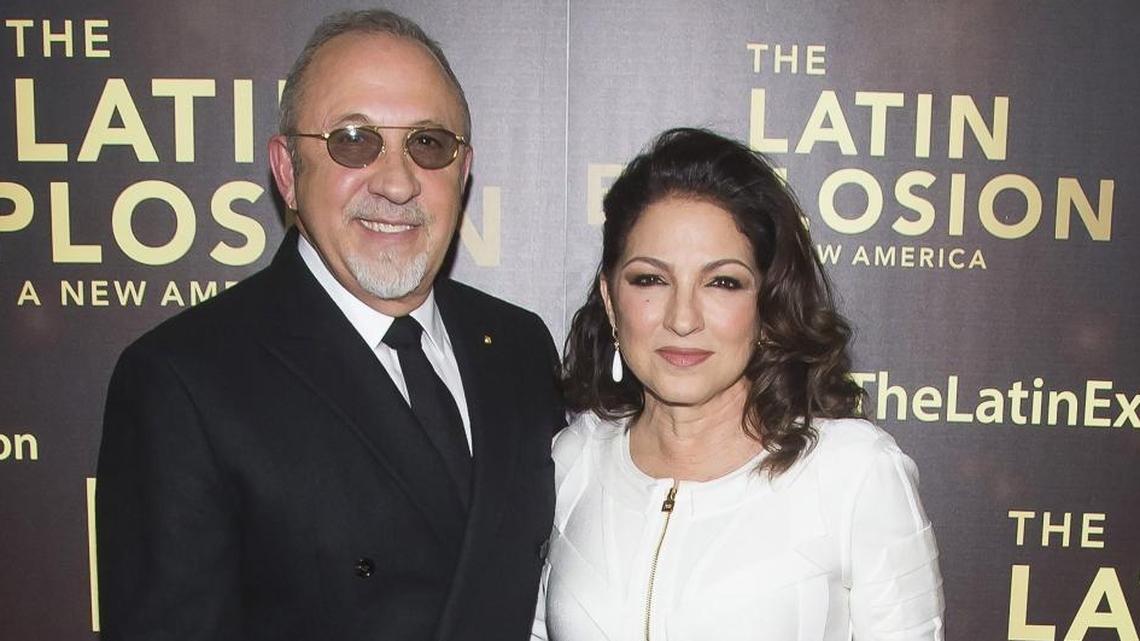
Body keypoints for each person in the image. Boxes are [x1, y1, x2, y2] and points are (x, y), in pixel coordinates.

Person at [96, 9, 562, 641]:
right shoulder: (184, 380)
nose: (397, 182)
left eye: (427, 143)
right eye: (353, 140)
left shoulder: (517, 346)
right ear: (288, 171)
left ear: (462, 169)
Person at [532, 128, 944, 640]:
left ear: (766, 303)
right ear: (611, 299)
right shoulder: (574, 461)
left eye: (722, 282)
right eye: (650, 279)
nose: (683, 318)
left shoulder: (853, 473)